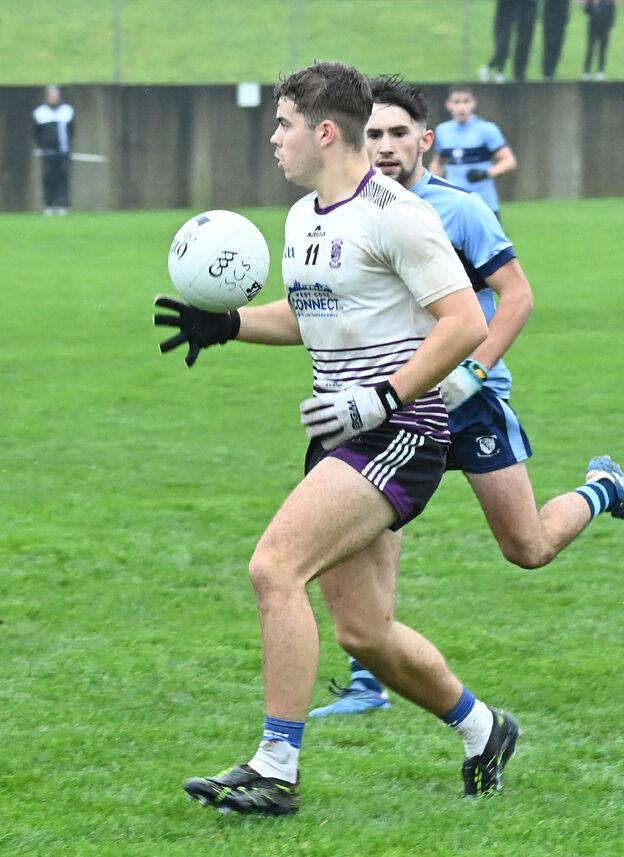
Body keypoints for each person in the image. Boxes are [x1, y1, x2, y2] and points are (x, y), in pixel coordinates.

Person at [156, 61, 514, 816]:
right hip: (342, 431)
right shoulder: (303, 215)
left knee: (274, 566)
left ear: (324, 131)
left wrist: (381, 397)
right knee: (365, 630)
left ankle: (275, 766)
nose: (274, 138)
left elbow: (467, 322)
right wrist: (226, 325)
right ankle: (486, 729)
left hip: (401, 431)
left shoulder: (397, 214)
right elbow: (308, 313)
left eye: (283, 123)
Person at [310, 75, 624, 718]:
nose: (387, 145)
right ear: (354, 138)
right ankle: (369, 677)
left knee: (527, 547)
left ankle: (604, 488)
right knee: (374, 525)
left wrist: (473, 373)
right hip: (393, 402)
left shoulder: (461, 210)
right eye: (374, 134)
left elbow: (518, 296)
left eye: (400, 133)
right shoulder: (350, 213)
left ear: (427, 139)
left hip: (469, 401)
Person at [430, 86, 517, 219]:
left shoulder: (487, 129)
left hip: (484, 204)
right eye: (457, 102)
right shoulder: (442, 131)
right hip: (454, 205)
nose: (461, 107)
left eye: (466, 101)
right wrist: (432, 185)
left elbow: (509, 161)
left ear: (473, 103)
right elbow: (438, 163)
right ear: (448, 105)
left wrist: (486, 173)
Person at [33, 84, 74, 215]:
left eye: (55, 95)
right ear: (47, 97)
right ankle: (49, 205)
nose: (53, 98)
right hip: (48, 153)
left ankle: (63, 205)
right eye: (51, 95)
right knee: (48, 178)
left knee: (64, 178)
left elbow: (72, 131)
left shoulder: (67, 111)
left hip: (63, 152)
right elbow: (36, 133)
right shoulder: (40, 113)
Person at [481, 0, 541, 82]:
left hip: (523, 8)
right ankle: (494, 70)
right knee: (504, 46)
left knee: (522, 42)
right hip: (507, 12)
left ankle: (502, 72)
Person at [580, 0, 618, 80]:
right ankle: (586, 72)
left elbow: (612, 14)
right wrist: (593, 4)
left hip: (604, 28)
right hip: (593, 28)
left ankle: (600, 71)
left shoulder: (608, 2)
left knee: (602, 50)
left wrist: (610, 27)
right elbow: (586, 11)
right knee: (590, 49)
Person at [541, 0, 573, 78]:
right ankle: (547, 72)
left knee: (557, 45)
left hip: (561, 16)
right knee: (549, 44)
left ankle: (552, 71)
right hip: (550, 16)